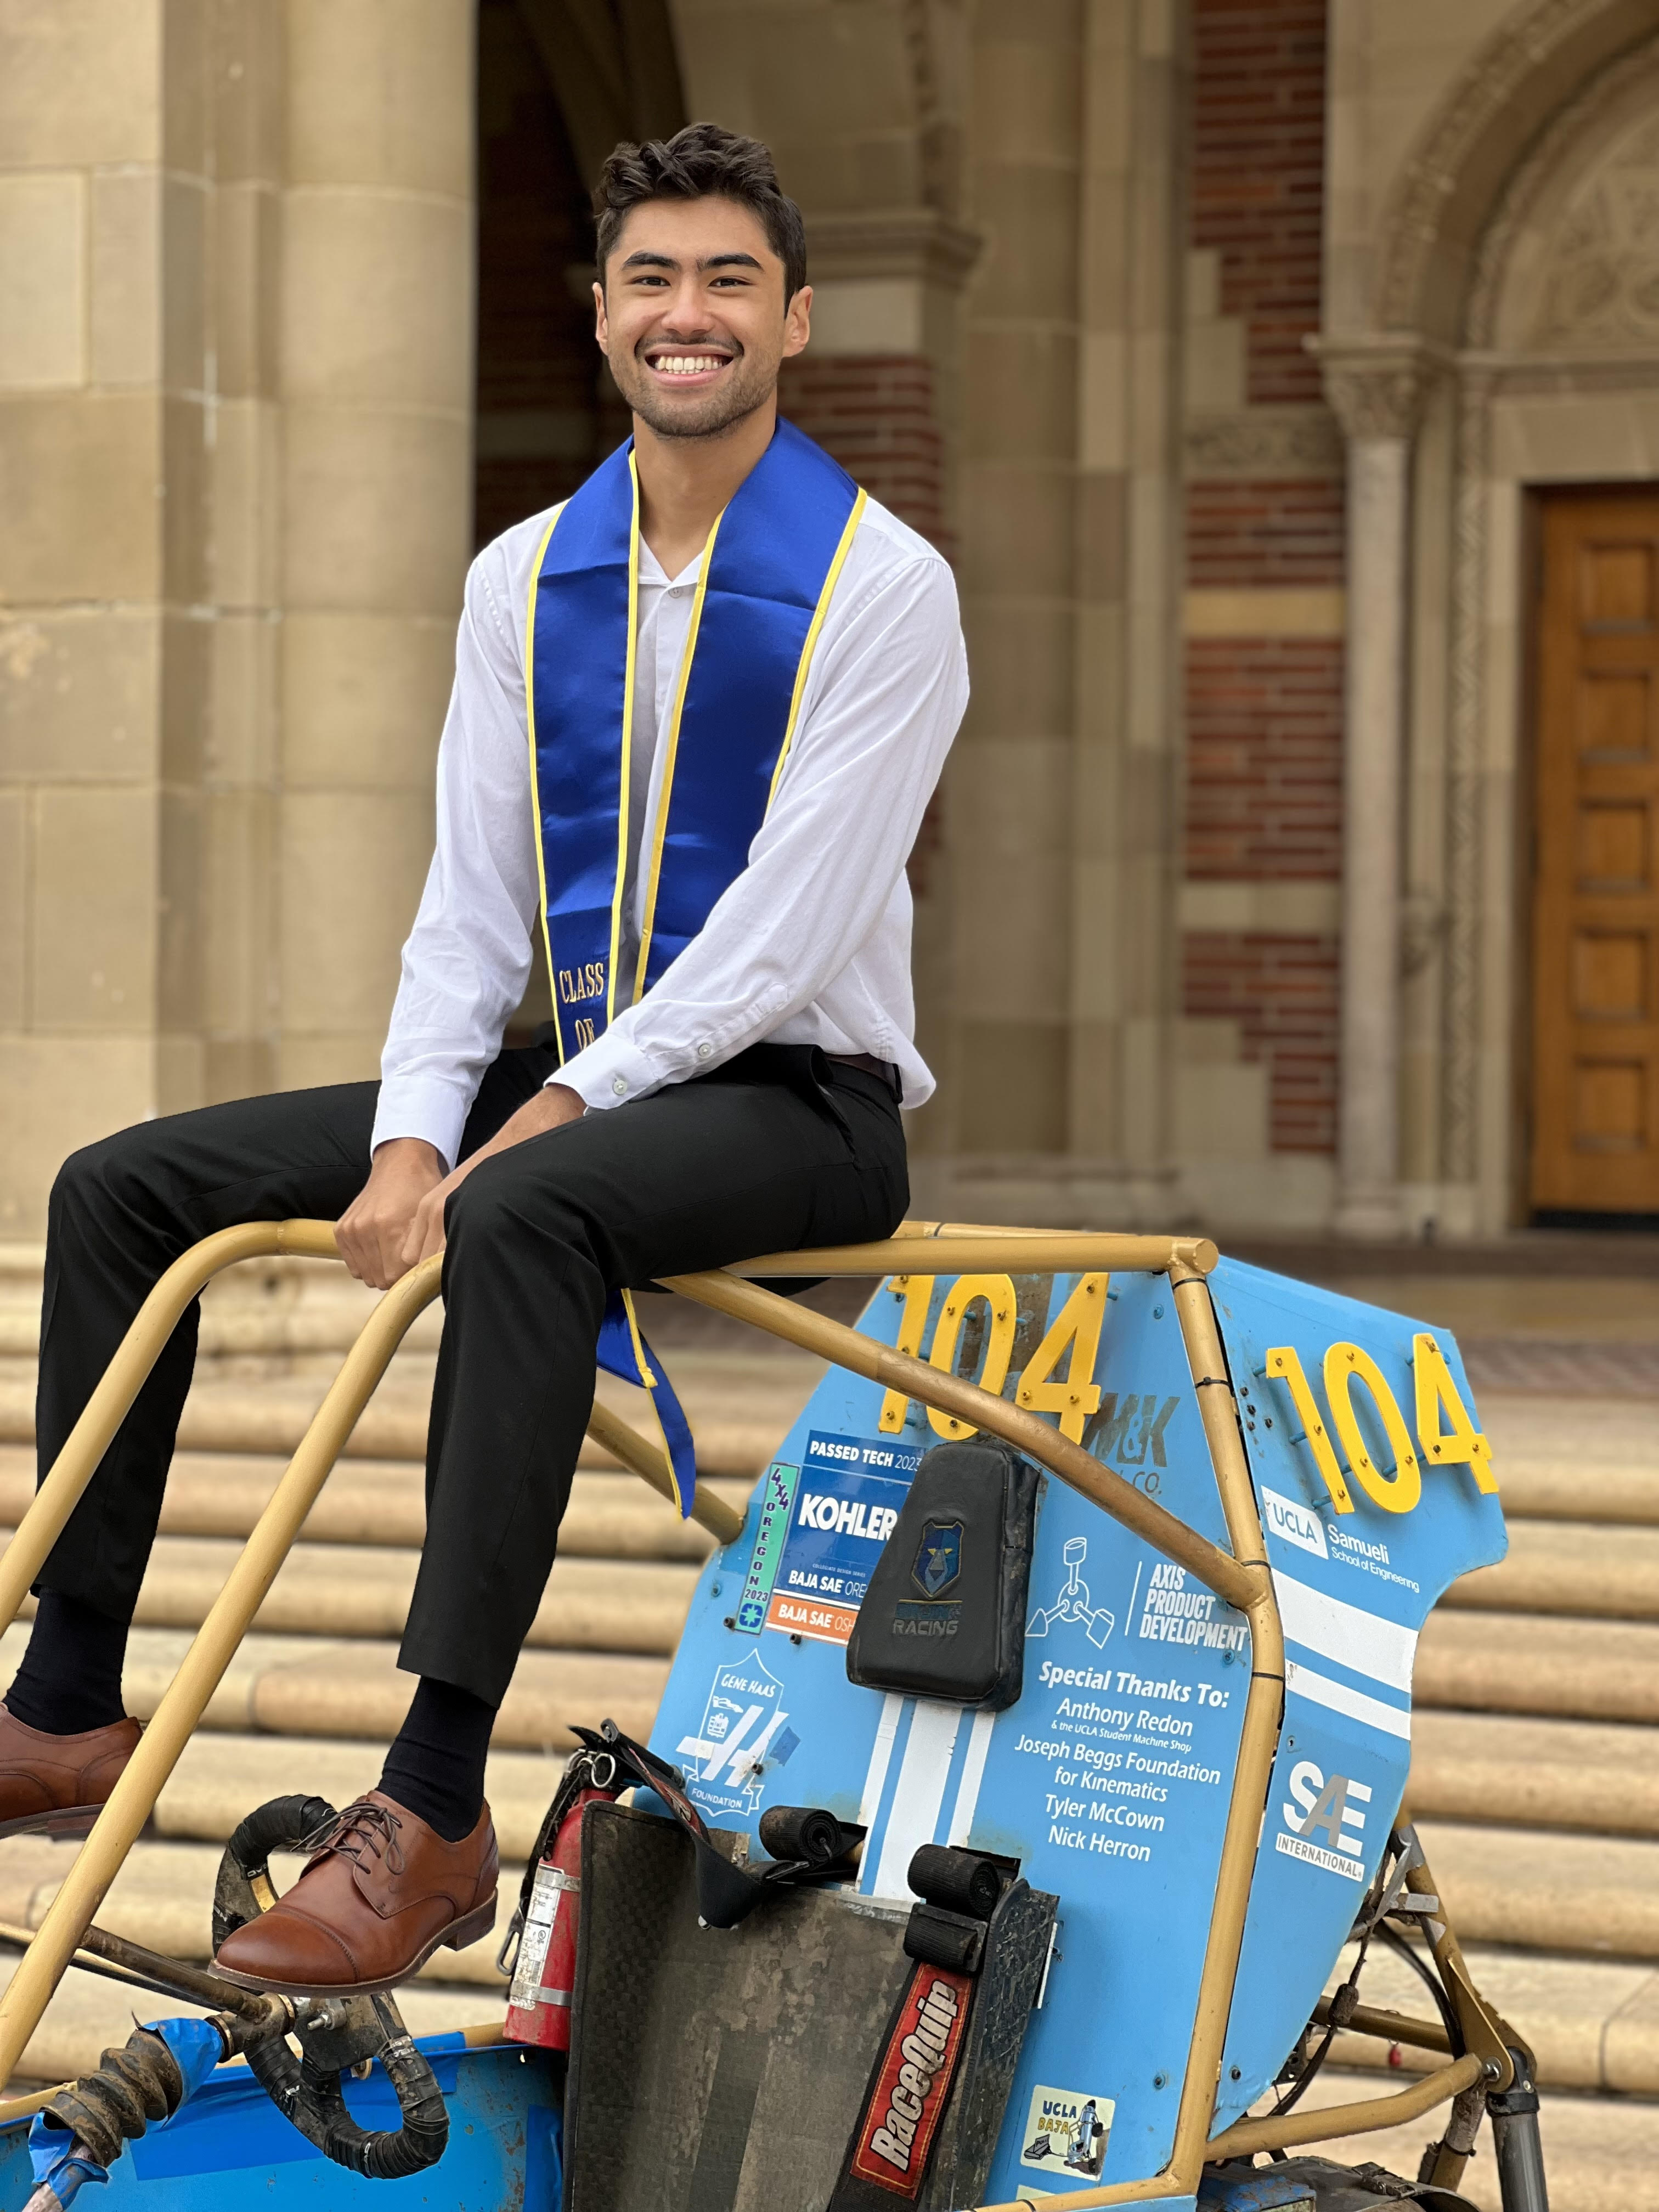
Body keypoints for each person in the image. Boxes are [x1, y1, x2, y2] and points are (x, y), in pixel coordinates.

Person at [5, 123, 967, 1998]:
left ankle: (433, 1804)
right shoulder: (526, 579)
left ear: (794, 322)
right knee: (122, 1186)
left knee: (521, 1206)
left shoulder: (883, 587)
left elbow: (782, 931)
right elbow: (468, 904)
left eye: (728, 283)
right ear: (601, 315)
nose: (687, 317)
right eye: (651, 282)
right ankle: (63, 1700)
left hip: (804, 1110)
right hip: (583, 1072)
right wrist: (405, 1130)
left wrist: (528, 1121)